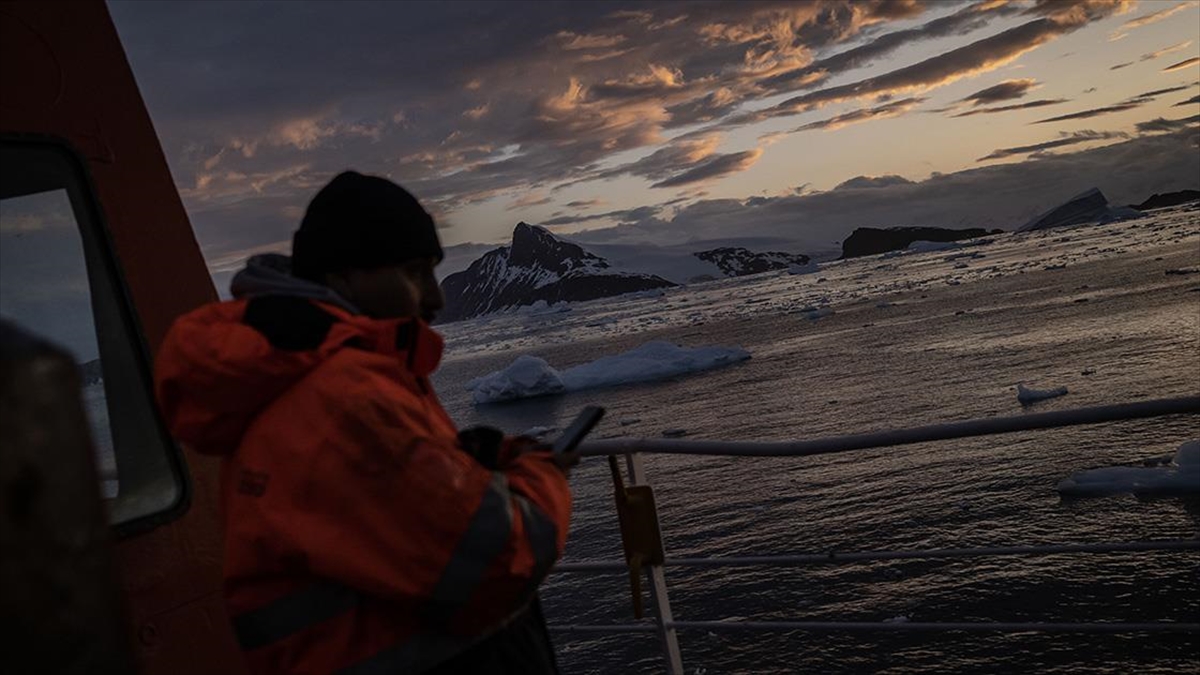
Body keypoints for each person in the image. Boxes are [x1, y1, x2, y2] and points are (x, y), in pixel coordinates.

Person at [155, 171, 573, 675]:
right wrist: (541, 474)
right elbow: (496, 566)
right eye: (414, 273)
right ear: (343, 277)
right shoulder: (345, 398)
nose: (434, 300)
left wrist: (465, 465)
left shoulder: (303, 380)